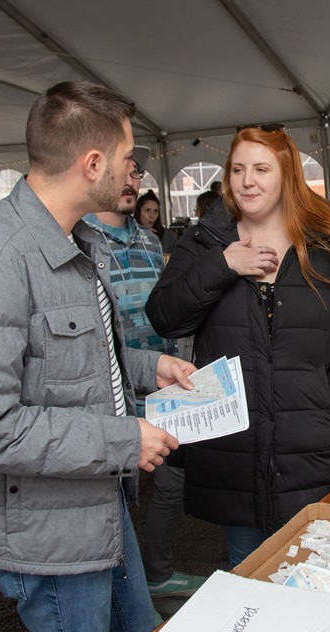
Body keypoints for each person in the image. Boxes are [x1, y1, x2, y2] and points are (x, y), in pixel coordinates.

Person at [0, 81, 198, 632]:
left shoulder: (71, 240)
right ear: (92, 164)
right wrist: (123, 440)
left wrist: (149, 367)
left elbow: (69, 358)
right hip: (42, 528)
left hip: (90, 502)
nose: (134, 174)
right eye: (128, 161)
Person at [146, 124, 330, 567]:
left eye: (260, 168)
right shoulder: (206, 241)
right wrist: (223, 265)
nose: (247, 180)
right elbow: (165, 317)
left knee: (318, 568)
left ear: (287, 173)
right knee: (249, 569)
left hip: (309, 446)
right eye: (237, 169)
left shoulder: (329, 239)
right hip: (237, 453)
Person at [84, 146, 207, 602]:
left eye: (138, 172)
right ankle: (119, 594)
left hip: (162, 380)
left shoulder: (152, 241)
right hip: (108, 387)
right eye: (125, 171)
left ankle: (156, 573)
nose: (132, 180)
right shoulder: (79, 240)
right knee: (111, 495)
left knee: (171, 481)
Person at [135, 189, 177, 254]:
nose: (152, 216)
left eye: (155, 211)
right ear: (138, 212)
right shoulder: (130, 235)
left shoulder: (168, 236)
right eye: (148, 210)